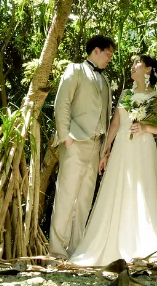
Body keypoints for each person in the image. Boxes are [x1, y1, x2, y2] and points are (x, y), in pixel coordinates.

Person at [69, 54, 157, 266]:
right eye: (133, 63)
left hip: (143, 148)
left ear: (148, 69)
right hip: (122, 148)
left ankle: (144, 244)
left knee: (143, 190)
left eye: (137, 63)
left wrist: (145, 127)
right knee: (116, 189)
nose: (133, 66)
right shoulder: (126, 94)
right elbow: (116, 124)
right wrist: (105, 151)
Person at [48, 35, 116, 259]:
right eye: (108, 54)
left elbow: (106, 116)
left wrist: (104, 149)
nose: (110, 58)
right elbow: (62, 103)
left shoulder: (106, 81)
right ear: (96, 50)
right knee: (66, 197)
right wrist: (66, 137)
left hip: (96, 146)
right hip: (75, 143)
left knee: (85, 200)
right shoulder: (75, 70)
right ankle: (57, 252)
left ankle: (76, 252)